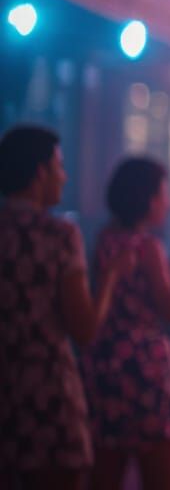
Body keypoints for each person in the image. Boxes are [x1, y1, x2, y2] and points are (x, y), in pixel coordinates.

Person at [0, 126, 132, 490]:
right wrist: (110, 277)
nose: (65, 176)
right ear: (39, 172)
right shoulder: (59, 234)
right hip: (49, 392)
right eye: (59, 166)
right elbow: (85, 329)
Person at [83, 158, 170, 490]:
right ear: (147, 199)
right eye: (163, 194)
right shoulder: (148, 248)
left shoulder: (103, 240)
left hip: (105, 363)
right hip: (147, 367)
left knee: (105, 473)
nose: (167, 203)